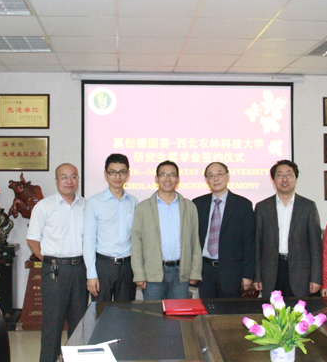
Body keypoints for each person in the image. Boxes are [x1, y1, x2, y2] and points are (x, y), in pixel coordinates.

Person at [26, 163, 87, 362]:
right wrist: (50, 261)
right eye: (64, 177)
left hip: (80, 269)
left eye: (73, 177)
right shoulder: (44, 206)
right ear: (56, 180)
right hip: (55, 271)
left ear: (78, 180)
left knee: (79, 323)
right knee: (53, 323)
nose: (69, 181)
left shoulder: (86, 206)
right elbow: (32, 240)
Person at [131, 160, 202, 300]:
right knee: (153, 313)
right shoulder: (143, 207)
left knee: (179, 314)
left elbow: (195, 241)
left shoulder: (189, 207)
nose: (167, 179)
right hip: (152, 275)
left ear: (178, 179)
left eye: (172, 175)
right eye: (163, 174)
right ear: (156, 179)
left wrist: (195, 271)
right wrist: (139, 274)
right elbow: (136, 243)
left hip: (180, 274)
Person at [253, 159, 323, 298]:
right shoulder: (262, 207)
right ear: (273, 180)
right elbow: (257, 244)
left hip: (300, 274)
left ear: (295, 179)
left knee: (298, 310)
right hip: (270, 273)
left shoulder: (308, 207)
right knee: (272, 310)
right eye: (280, 175)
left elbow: (316, 245)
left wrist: (316, 277)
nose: (284, 179)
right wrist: (257, 276)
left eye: (289, 175)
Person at [192, 162, 255, 298]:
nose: (216, 179)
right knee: (206, 309)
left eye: (219, 174)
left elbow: (249, 243)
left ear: (227, 176)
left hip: (232, 272)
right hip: (205, 271)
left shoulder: (243, 205)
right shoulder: (197, 204)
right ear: (206, 180)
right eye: (211, 175)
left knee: (229, 311)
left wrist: (247, 274)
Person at [83, 153, 139, 302]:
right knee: (101, 312)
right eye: (112, 172)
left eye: (122, 172)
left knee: (126, 312)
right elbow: (89, 240)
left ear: (127, 174)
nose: (117, 176)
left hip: (127, 267)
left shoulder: (133, 202)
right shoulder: (94, 202)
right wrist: (91, 274)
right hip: (103, 266)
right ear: (105, 174)